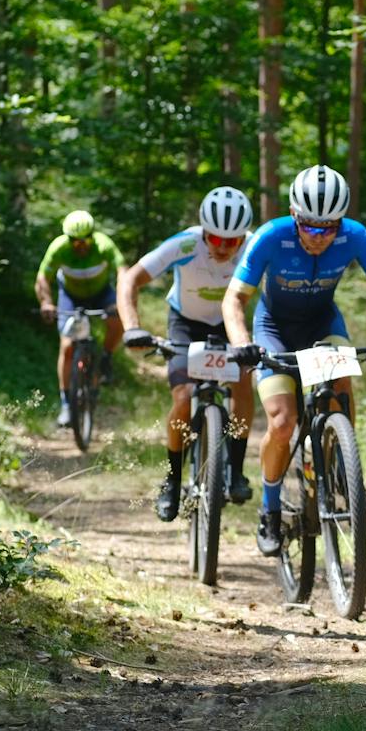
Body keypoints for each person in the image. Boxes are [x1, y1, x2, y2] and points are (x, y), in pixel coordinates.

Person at [222, 165, 366, 557]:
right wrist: (242, 343)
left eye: (329, 228)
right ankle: (270, 509)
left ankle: (342, 468)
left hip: (322, 324)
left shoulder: (355, 236)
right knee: (283, 422)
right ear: (294, 216)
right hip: (273, 329)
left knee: (341, 384)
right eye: (310, 227)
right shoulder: (270, 237)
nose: (319, 237)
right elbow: (235, 299)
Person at [118, 186, 257, 521]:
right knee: (183, 396)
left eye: (232, 241)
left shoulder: (255, 246)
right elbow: (130, 279)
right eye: (215, 239)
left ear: (243, 237)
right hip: (185, 323)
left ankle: (236, 471)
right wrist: (132, 327)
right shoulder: (185, 244)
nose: (223, 247)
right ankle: (172, 480)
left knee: (243, 385)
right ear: (204, 232)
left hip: (229, 325)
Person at [35, 210, 127, 429]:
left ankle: (106, 357)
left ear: (92, 236)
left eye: (85, 240)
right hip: (71, 296)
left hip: (101, 293)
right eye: (75, 241)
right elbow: (42, 278)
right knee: (67, 346)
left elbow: (123, 272)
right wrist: (46, 303)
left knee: (118, 321)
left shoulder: (104, 245)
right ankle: (66, 404)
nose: (81, 245)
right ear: (68, 239)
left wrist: (120, 302)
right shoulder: (59, 248)